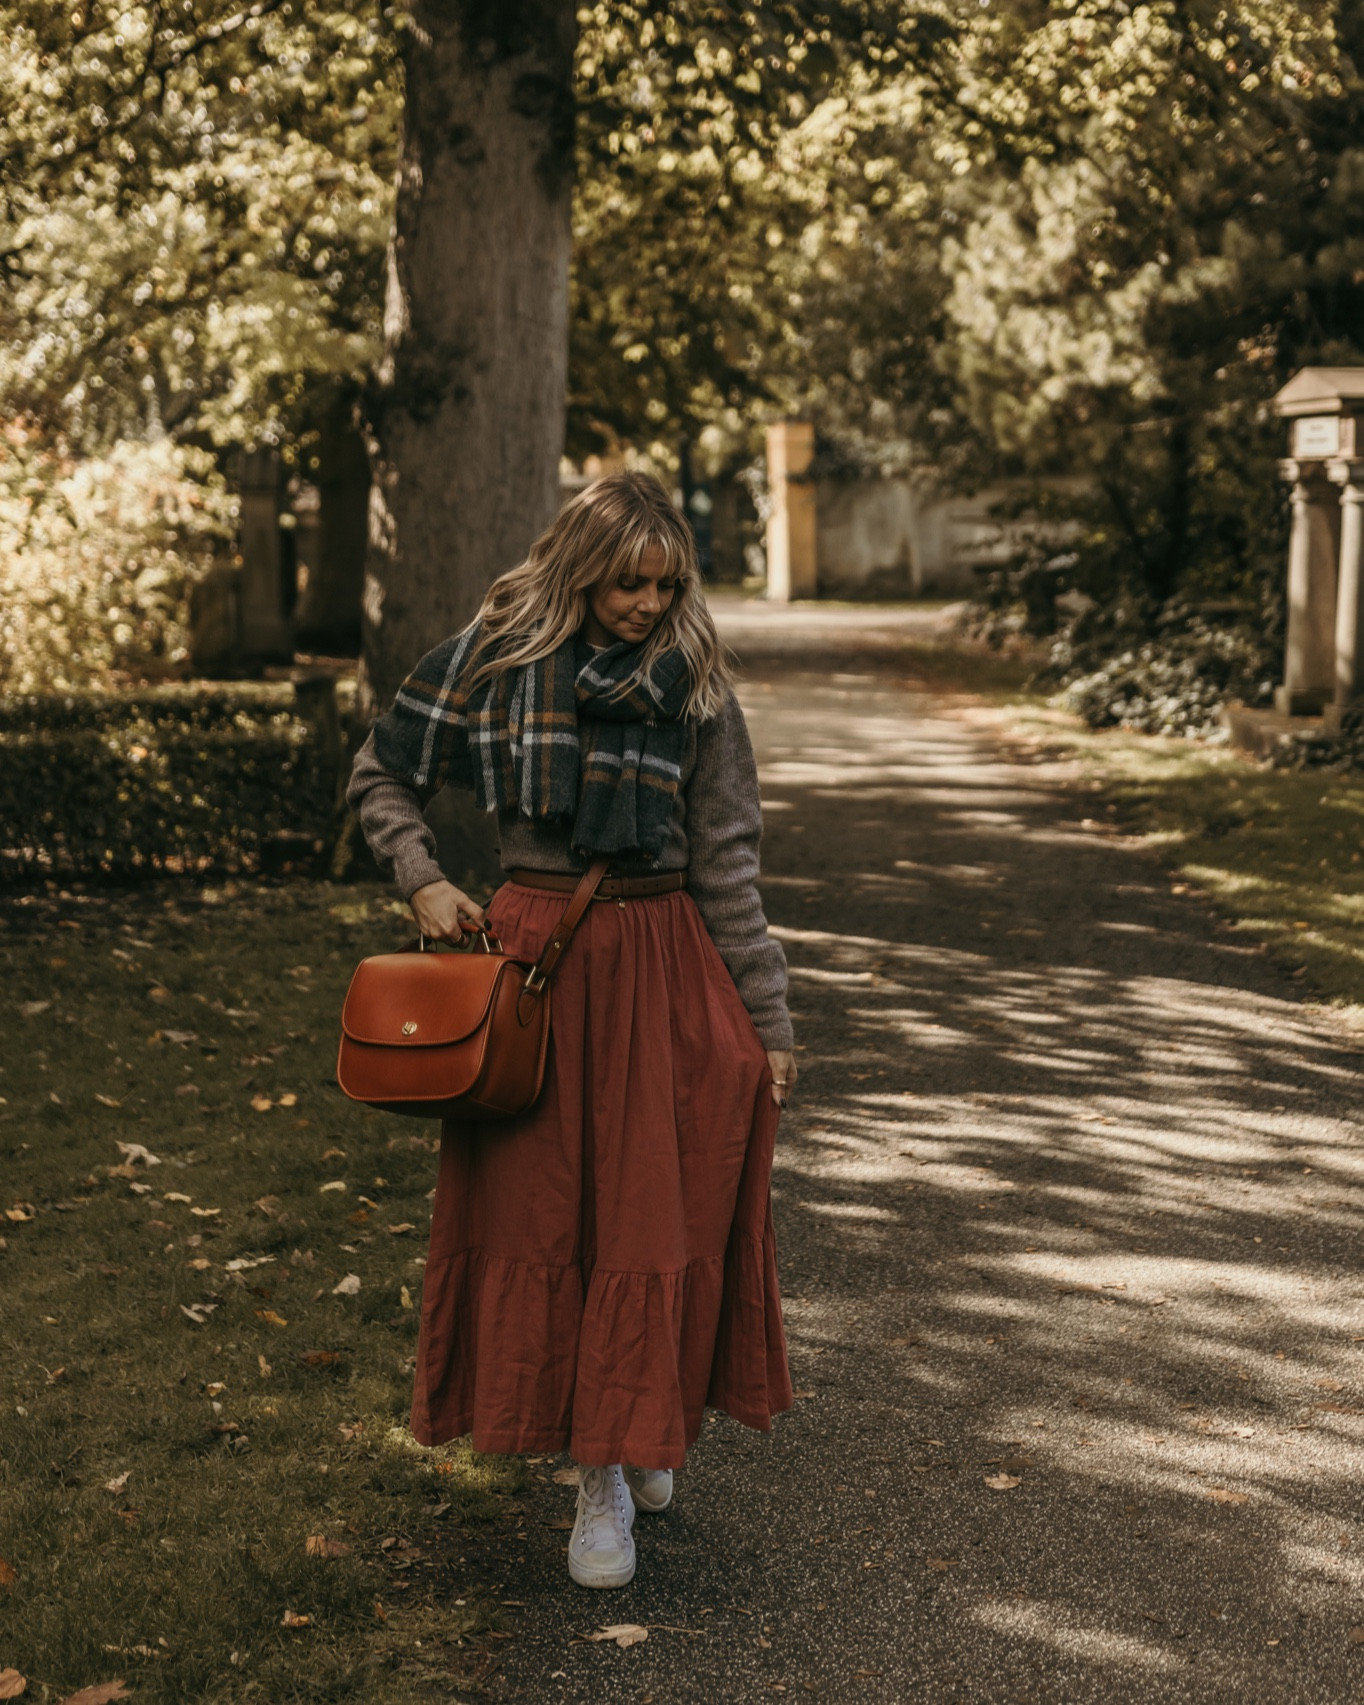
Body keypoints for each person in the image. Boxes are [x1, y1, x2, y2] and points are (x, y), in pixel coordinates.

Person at [347, 470, 795, 1589]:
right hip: (534, 973)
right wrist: (422, 879)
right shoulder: (498, 657)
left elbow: (728, 863)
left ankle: (634, 1433)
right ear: (581, 571)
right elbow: (382, 769)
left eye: (665, 584)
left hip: (663, 967)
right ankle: (596, 1479)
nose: (648, 604)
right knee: (551, 1217)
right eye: (626, 582)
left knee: (651, 1217)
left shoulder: (696, 685)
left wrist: (768, 1018)